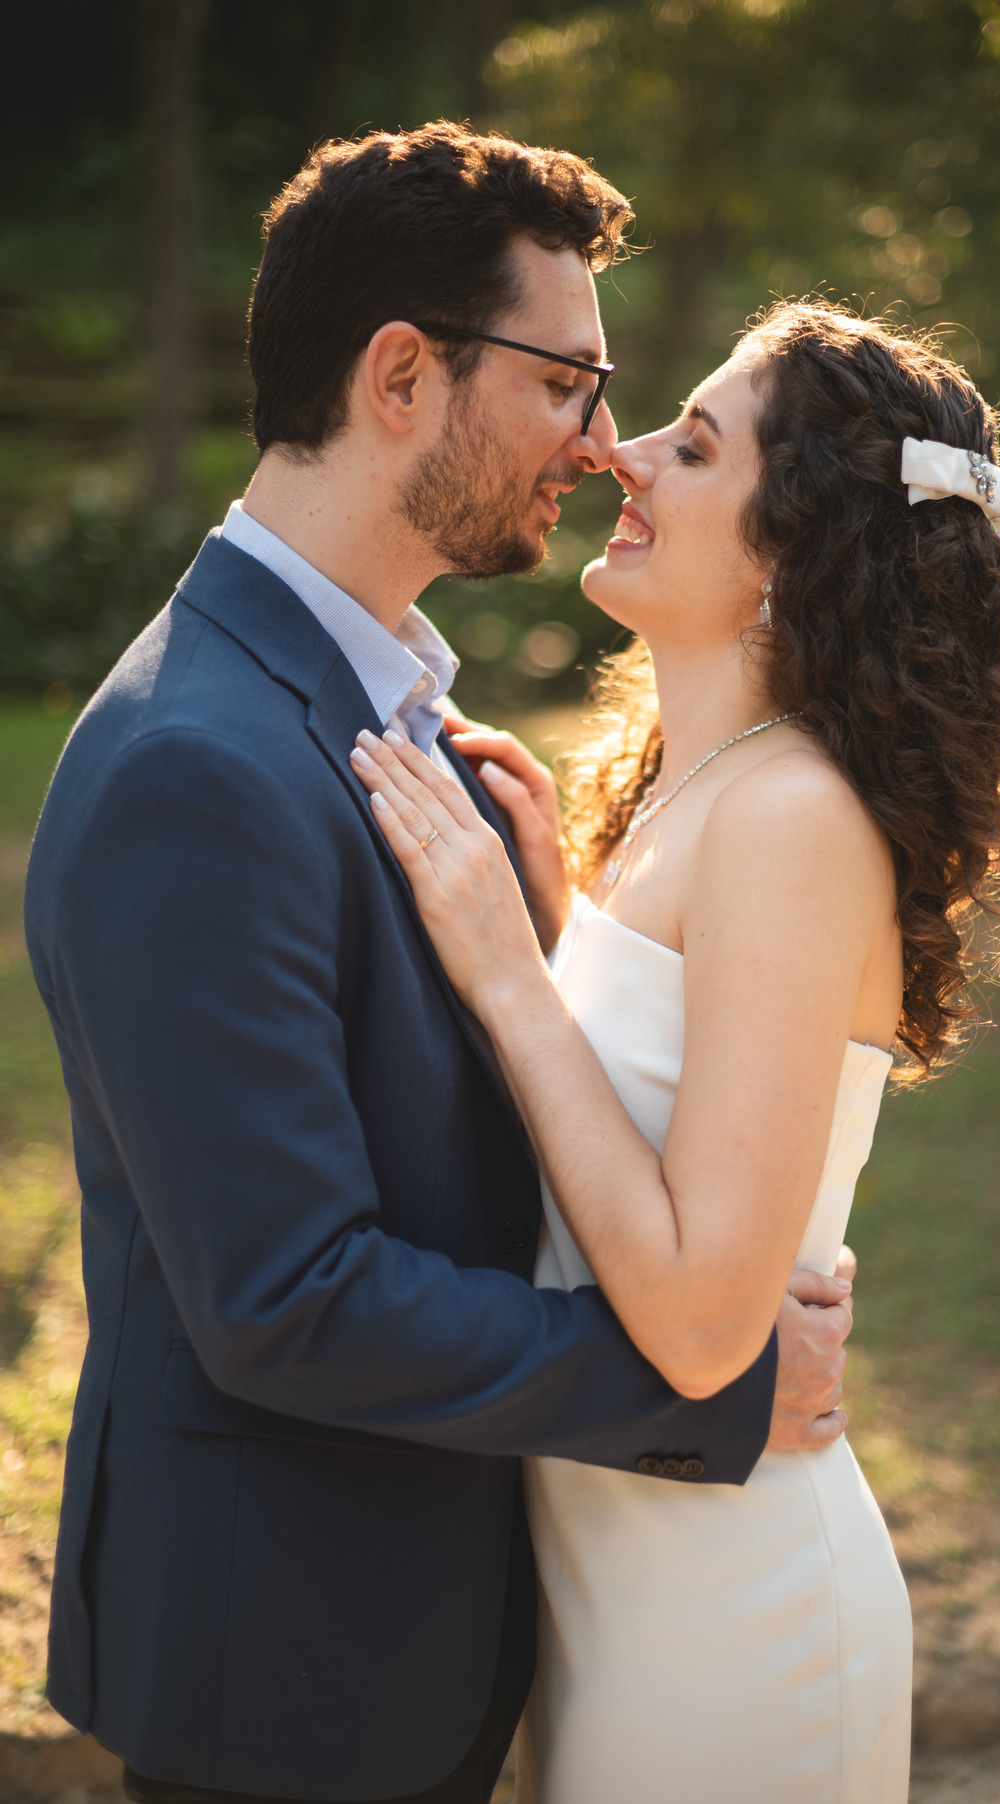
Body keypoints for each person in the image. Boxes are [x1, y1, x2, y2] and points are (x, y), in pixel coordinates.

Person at [23, 126, 857, 1804]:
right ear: (403, 374)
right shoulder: (199, 761)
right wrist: (703, 1381)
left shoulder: (386, 713)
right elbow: (288, 1298)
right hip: (293, 1677)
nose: (603, 445)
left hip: (440, 1628)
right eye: (569, 383)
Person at [349, 300, 1000, 1803]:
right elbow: (650, 1112)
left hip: (727, 1623)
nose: (621, 456)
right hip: (609, 1577)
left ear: (796, 543)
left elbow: (700, 1329)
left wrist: (511, 973)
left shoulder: (794, 822)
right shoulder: (685, 803)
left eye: (692, 446)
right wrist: (563, 930)